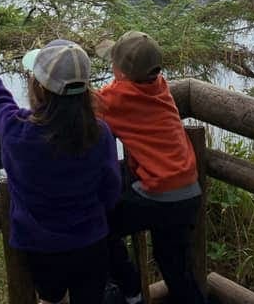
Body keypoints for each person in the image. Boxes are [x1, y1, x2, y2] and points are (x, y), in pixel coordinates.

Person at [0, 30, 121, 304]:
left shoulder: (17, 131)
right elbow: (111, 189)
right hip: (91, 241)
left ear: (38, 87)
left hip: (41, 247)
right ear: (85, 89)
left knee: (50, 298)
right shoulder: (99, 134)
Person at [96, 31, 205, 304]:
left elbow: (84, 107)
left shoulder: (114, 97)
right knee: (175, 267)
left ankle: (129, 291)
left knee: (99, 227)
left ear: (119, 71)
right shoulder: (161, 86)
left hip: (158, 193)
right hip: (188, 190)